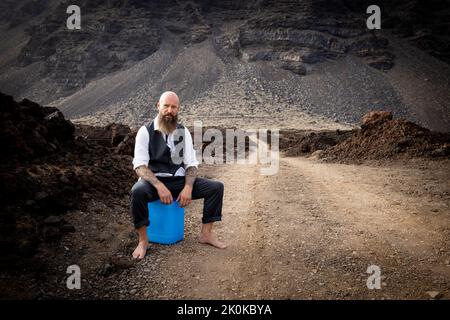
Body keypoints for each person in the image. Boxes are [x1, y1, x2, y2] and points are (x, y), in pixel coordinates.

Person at [130, 91, 227, 259]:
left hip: (178, 180)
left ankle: (206, 234)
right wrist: (159, 186)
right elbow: (139, 166)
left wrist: (188, 187)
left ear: (178, 109)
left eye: (173, 107)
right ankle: (143, 241)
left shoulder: (183, 132)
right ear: (158, 106)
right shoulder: (145, 131)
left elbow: (191, 165)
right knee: (137, 191)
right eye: (166, 106)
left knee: (216, 188)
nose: (169, 110)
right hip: (154, 182)